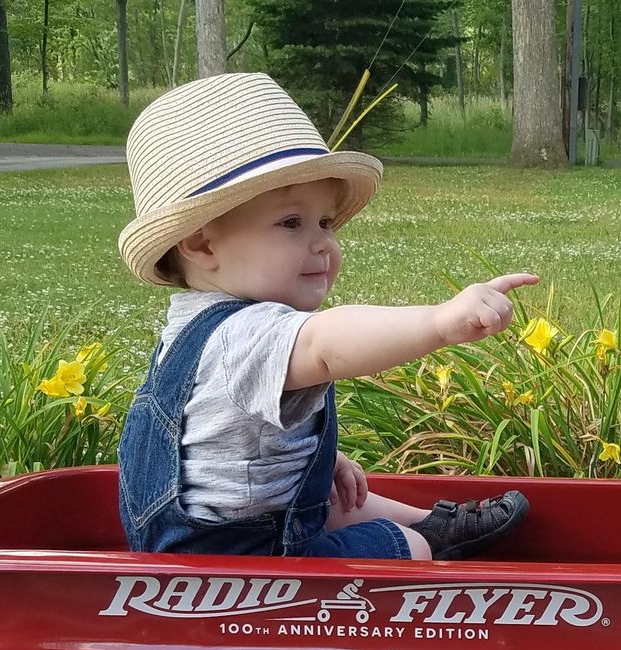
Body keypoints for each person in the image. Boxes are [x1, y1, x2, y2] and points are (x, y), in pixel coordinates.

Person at [116, 72, 534, 562]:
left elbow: (219, 438)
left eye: (325, 223)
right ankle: (428, 539)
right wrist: (440, 322)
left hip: (221, 535)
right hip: (241, 568)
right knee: (411, 551)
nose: (322, 243)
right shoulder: (246, 334)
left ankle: (432, 523)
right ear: (202, 243)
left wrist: (316, 456)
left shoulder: (191, 323)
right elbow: (327, 344)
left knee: (340, 497)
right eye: (291, 223)